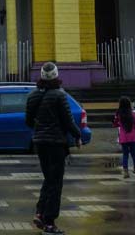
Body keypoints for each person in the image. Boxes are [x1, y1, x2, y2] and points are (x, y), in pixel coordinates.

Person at [26, 61, 81, 234]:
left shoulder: (33, 95)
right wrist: (77, 134)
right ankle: (50, 222)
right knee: (55, 182)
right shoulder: (59, 95)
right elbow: (68, 121)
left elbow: (28, 121)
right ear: (56, 76)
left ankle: (40, 212)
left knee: (48, 178)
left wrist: (41, 125)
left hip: (40, 143)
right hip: (56, 143)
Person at [113, 96, 135, 178]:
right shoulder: (133, 114)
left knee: (125, 154)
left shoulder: (119, 114)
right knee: (134, 154)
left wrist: (118, 123)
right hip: (133, 137)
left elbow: (115, 124)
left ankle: (126, 172)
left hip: (123, 137)